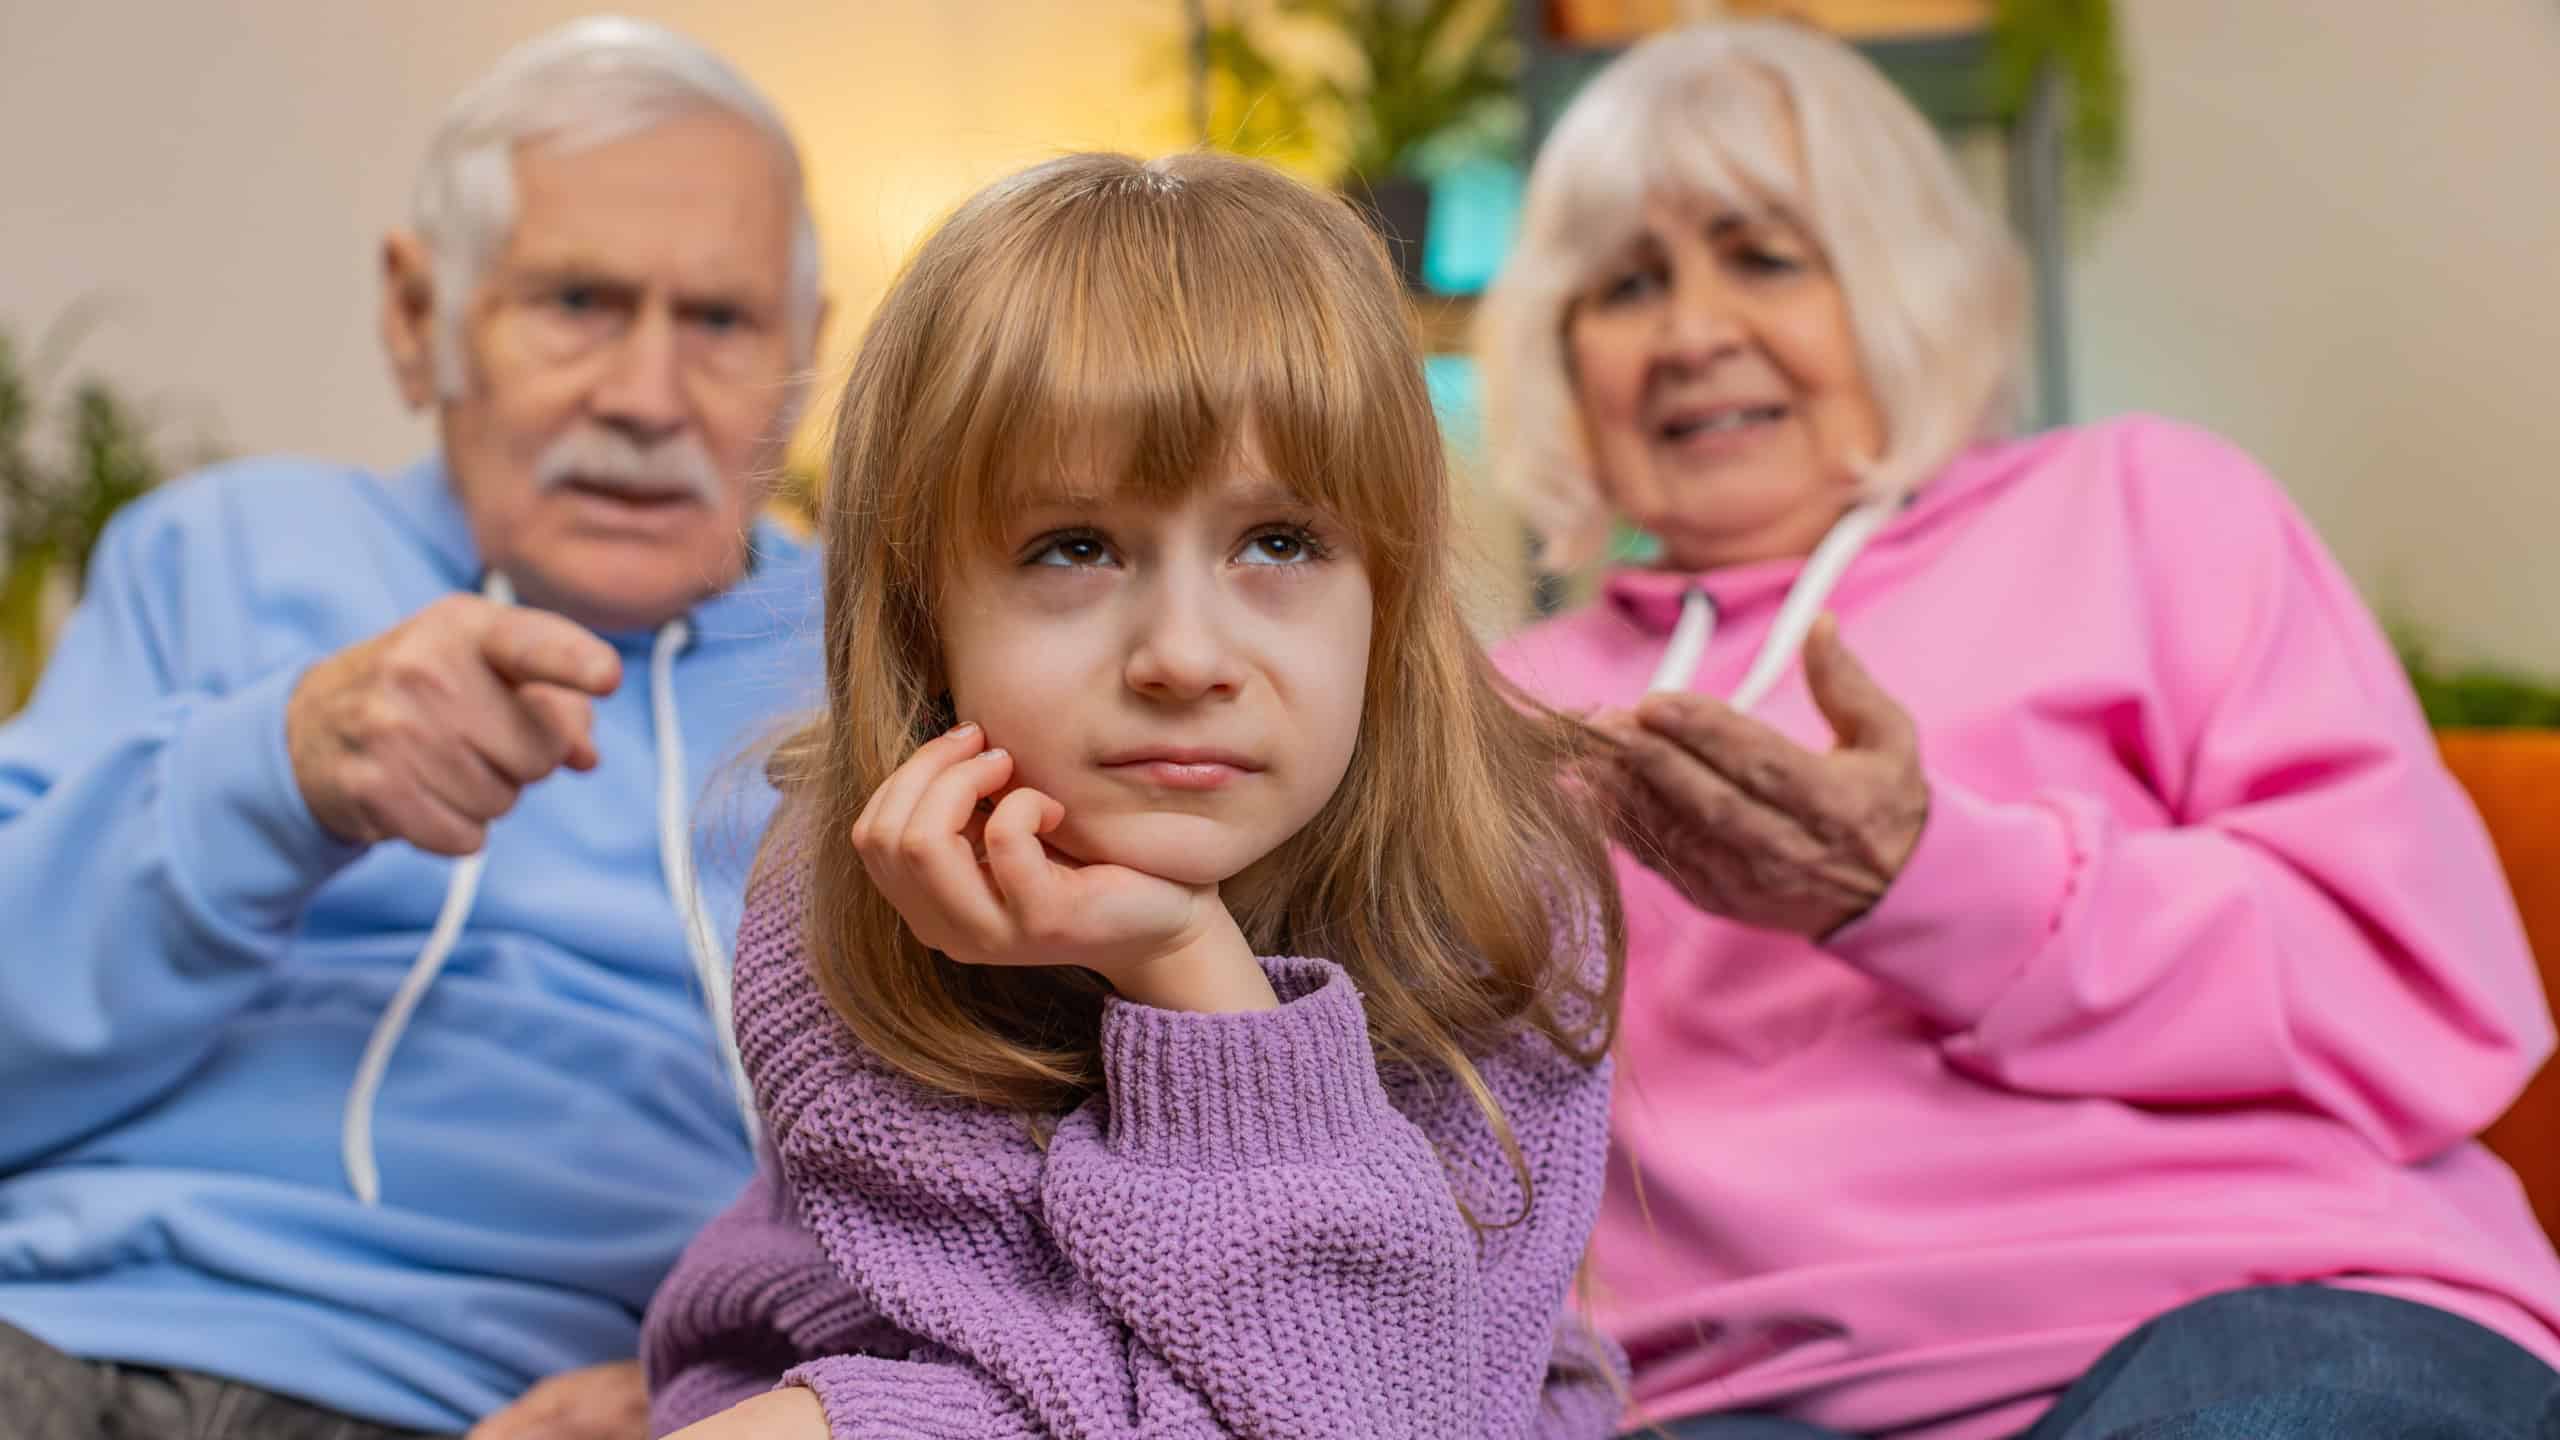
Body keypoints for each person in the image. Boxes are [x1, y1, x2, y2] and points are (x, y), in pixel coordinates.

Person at [1479, 20, 2560, 1440]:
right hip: (1733, 1398)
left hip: (2266, 1307)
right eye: (1626, 285)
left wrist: (1927, 883)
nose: (1691, 334)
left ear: (1901, 286)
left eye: (1765, 258)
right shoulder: (1500, 706)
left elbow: (2415, 990)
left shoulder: (2144, 506)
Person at [636, 150, 1630, 1440]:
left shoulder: (1498, 901)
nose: (1185, 657)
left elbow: (1370, 1415)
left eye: (1280, 543)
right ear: (921, 611)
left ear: (1386, 597)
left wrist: (1186, 967)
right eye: (1075, 548)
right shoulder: (858, 893)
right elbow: (1018, 1362)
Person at [0, 17, 827, 1439]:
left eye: (720, 323)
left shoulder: (877, 663)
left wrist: (741, 1380)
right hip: (64, 1328)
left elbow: (1015, 1170)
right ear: (415, 314)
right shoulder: (219, 550)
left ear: (806, 352)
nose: (648, 398)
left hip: (519, 1405)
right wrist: (276, 770)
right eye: (578, 301)